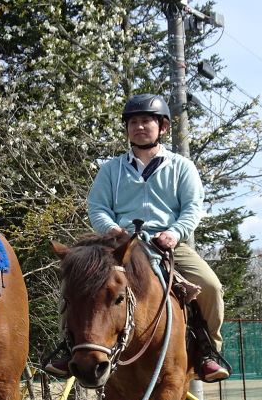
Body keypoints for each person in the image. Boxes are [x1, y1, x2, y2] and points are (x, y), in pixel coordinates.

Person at [47, 94, 230, 382]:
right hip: (119, 245)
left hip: (165, 244)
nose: (139, 126)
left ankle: (208, 351)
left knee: (211, 286)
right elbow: (97, 206)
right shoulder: (111, 169)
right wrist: (110, 229)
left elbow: (193, 207)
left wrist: (174, 232)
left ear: (163, 127)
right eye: (133, 122)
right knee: (76, 280)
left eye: (147, 121)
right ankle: (69, 347)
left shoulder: (182, 167)